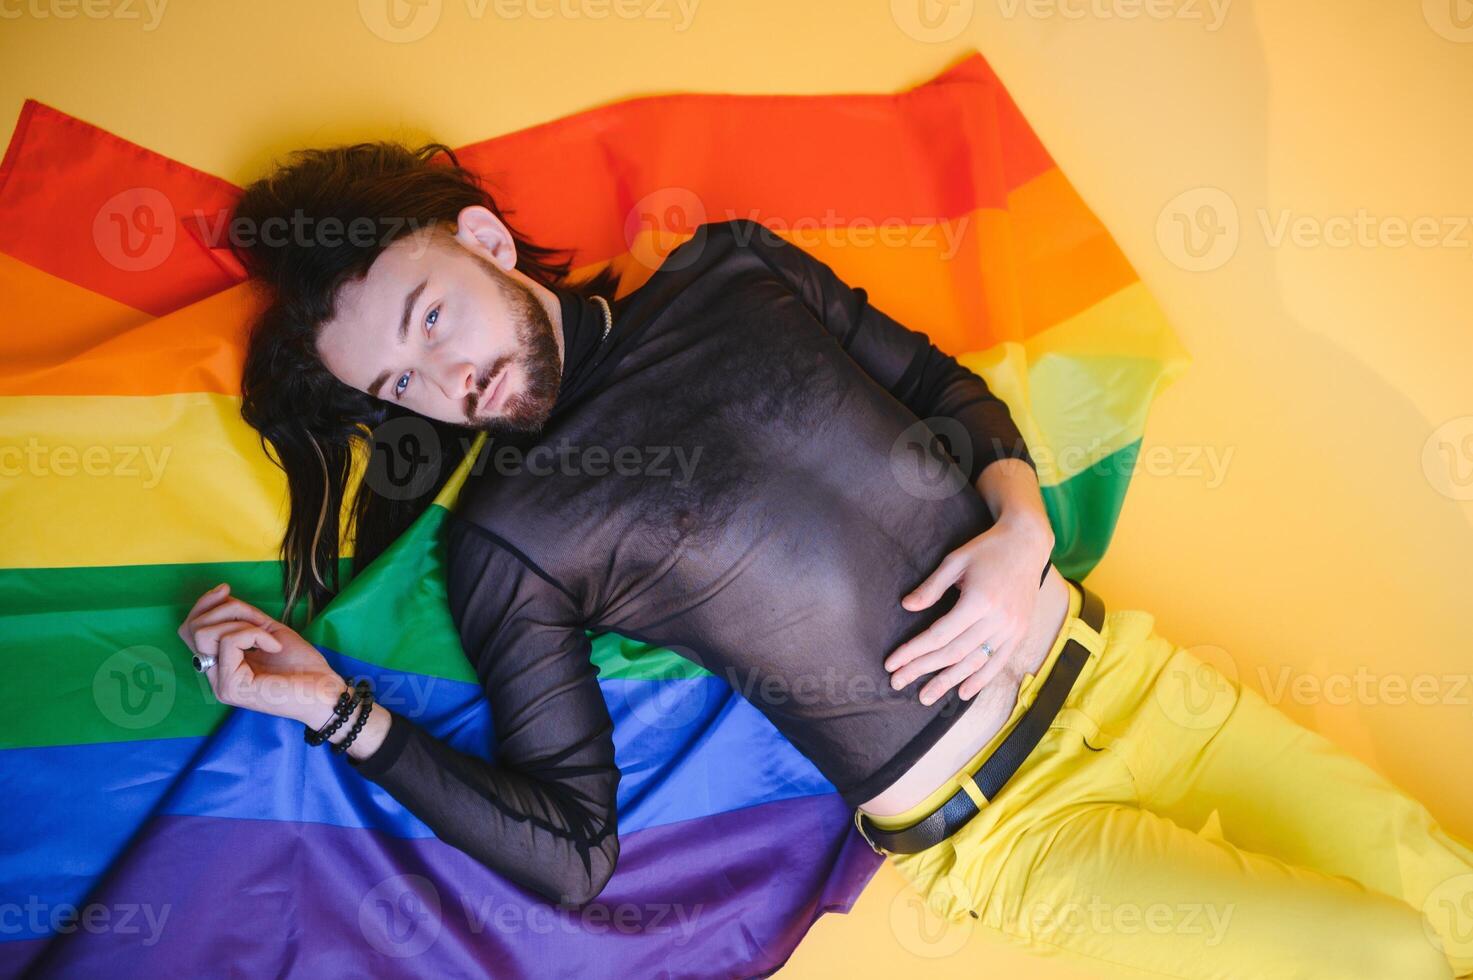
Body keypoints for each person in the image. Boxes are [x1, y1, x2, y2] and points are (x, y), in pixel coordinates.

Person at [177, 142, 1473, 979]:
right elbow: (573, 848)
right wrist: (336, 714)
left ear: (485, 241)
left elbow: (945, 392)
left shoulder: (734, 269)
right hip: (1010, 830)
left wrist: (1020, 530)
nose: (449, 380)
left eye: (431, 318)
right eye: (403, 382)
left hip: (1141, 683)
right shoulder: (508, 540)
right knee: (1385, 955)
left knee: (1442, 888)